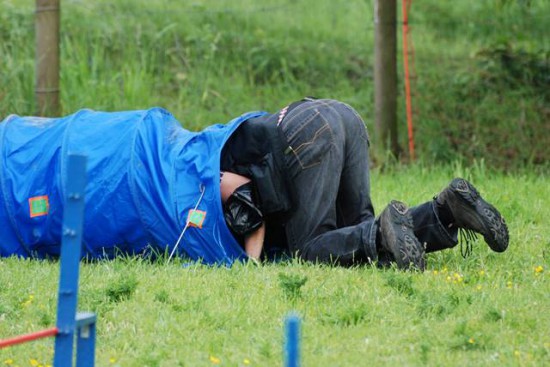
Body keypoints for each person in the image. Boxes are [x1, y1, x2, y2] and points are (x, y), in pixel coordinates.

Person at [0, 99, 509, 270]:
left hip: (306, 135)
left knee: (315, 247)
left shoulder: (197, 179)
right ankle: (444, 212)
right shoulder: (185, 149)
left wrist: (252, 256)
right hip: (338, 117)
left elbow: (232, 185)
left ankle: (382, 232)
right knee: (358, 241)